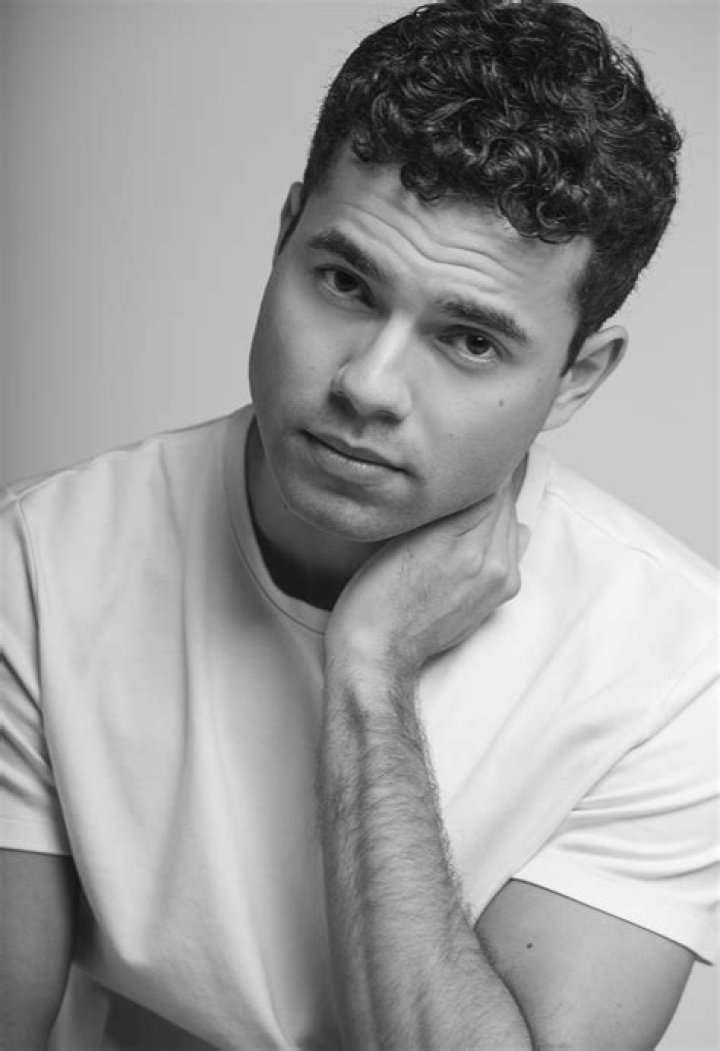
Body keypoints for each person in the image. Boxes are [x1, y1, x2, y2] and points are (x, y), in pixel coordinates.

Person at [1, 0, 717, 1047]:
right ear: (283, 234)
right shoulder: (37, 562)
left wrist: (371, 673)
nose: (367, 386)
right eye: (345, 283)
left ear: (577, 377)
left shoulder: (680, 665)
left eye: (469, 340)